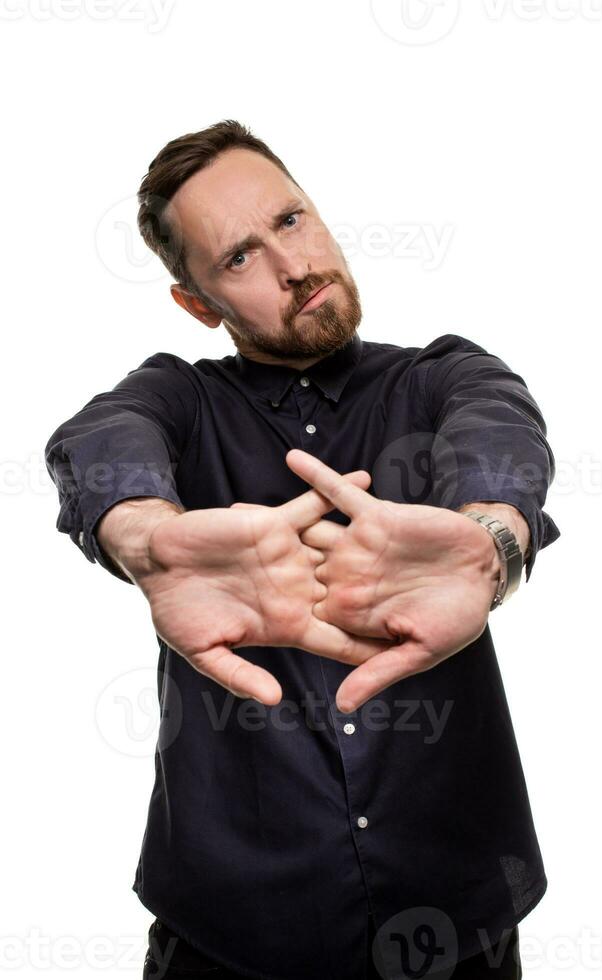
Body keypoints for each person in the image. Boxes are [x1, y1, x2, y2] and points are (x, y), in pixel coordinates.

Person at [44, 119, 560, 980]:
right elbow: (101, 436)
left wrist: (490, 542)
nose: (295, 265)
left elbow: (500, 430)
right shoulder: (181, 398)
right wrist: (146, 540)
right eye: (238, 257)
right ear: (198, 303)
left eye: (291, 220)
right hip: (226, 934)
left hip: (453, 922)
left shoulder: (441, 376)